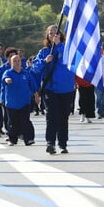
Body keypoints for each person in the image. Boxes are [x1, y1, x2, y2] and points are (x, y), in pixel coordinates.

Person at [32, 25, 75, 155]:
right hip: (50, 89)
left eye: (55, 33)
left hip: (66, 88)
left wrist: (59, 45)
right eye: (50, 33)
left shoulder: (67, 50)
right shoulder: (44, 52)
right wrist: (45, 61)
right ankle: (50, 143)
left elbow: (70, 62)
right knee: (51, 116)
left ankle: (63, 144)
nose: (53, 35)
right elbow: (35, 68)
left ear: (60, 35)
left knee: (63, 117)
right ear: (47, 36)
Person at [2, 54, 38, 146]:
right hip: (11, 103)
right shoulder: (8, 72)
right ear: (11, 62)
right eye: (15, 61)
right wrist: (7, 80)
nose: (17, 63)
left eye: (18, 61)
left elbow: (33, 86)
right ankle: (12, 140)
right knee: (12, 122)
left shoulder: (26, 73)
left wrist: (37, 96)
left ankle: (29, 139)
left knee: (25, 121)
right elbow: (4, 79)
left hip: (24, 102)